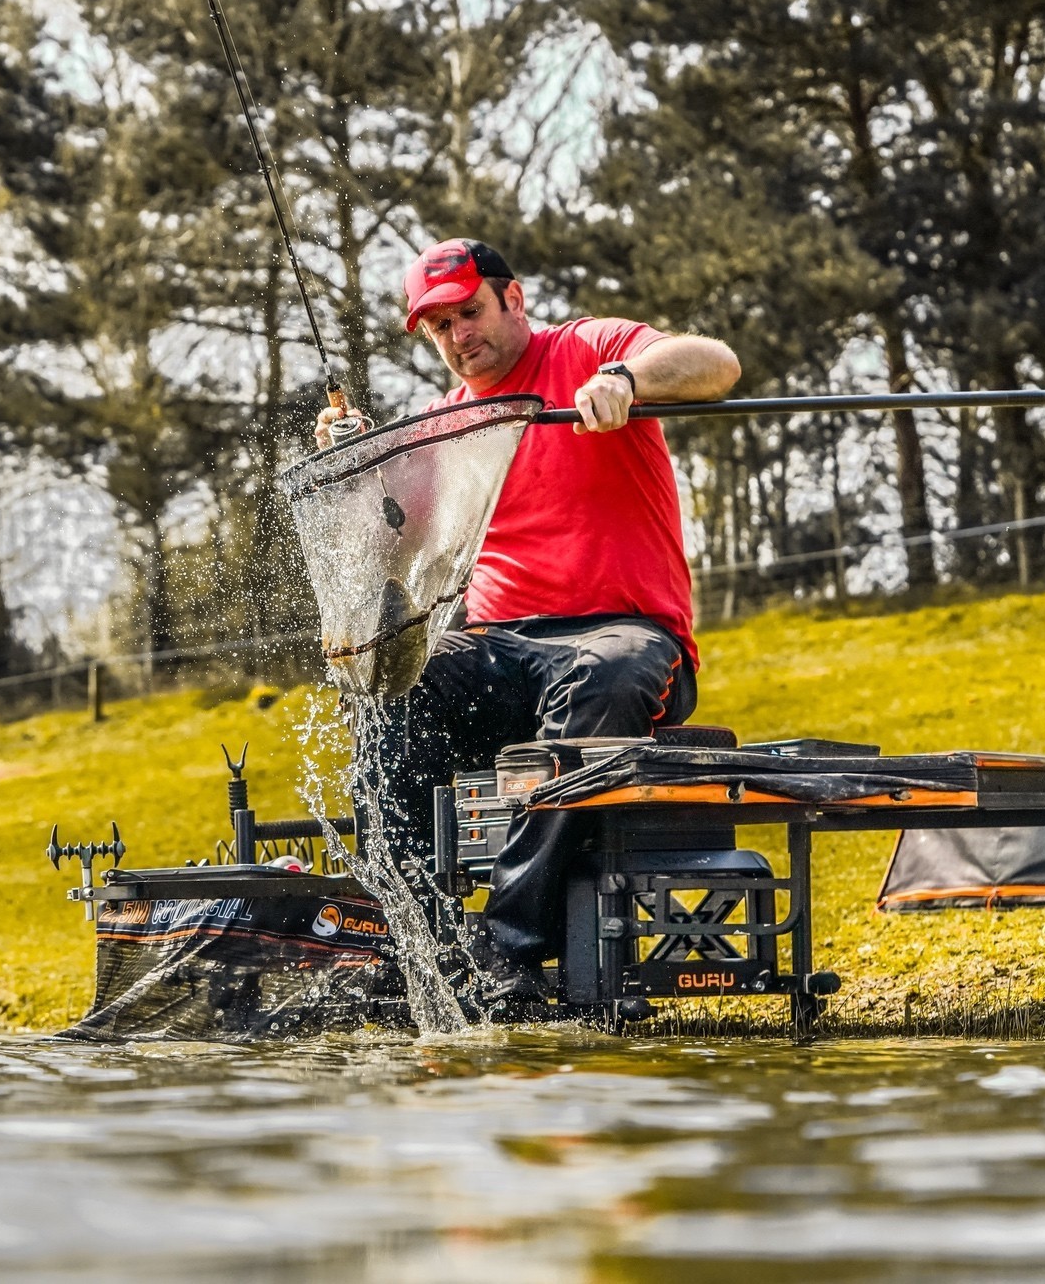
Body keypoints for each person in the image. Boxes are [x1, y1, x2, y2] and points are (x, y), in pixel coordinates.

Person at [315, 238, 741, 998]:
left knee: (603, 673)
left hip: (622, 638)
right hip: (496, 647)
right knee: (391, 684)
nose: (458, 336)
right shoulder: (442, 430)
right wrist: (354, 473)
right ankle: (413, 947)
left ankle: (505, 949)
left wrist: (625, 380)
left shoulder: (587, 349)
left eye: (469, 313)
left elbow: (716, 363)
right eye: (439, 327)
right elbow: (380, 548)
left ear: (513, 299)